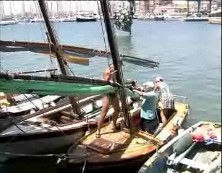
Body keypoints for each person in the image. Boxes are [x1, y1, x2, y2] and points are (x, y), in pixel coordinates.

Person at [96, 64, 121, 138]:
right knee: (104, 111)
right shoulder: (107, 71)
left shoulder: (117, 71)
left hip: (114, 92)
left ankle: (114, 124)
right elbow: (105, 82)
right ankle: (98, 130)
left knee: (117, 110)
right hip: (107, 93)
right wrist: (111, 75)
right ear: (110, 67)